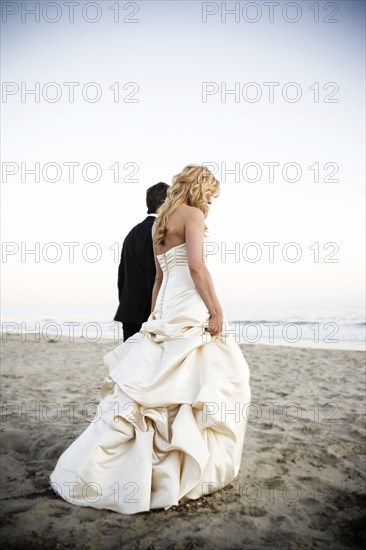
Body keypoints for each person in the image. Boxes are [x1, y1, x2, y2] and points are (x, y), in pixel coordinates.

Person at [49, 164, 251, 515]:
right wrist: (216, 310)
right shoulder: (191, 215)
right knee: (212, 376)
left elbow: (159, 276)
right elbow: (197, 268)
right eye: (210, 194)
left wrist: (156, 315)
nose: (210, 202)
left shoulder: (162, 220)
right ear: (199, 187)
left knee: (159, 376)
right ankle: (187, 461)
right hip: (189, 303)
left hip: (168, 304)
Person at [114, 182, 169, 341]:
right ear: (165, 203)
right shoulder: (162, 232)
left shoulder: (131, 233)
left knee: (130, 362)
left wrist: (127, 302)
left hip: (129, 311)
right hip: (151, 312)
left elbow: (122, 276)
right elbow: (156, 274)